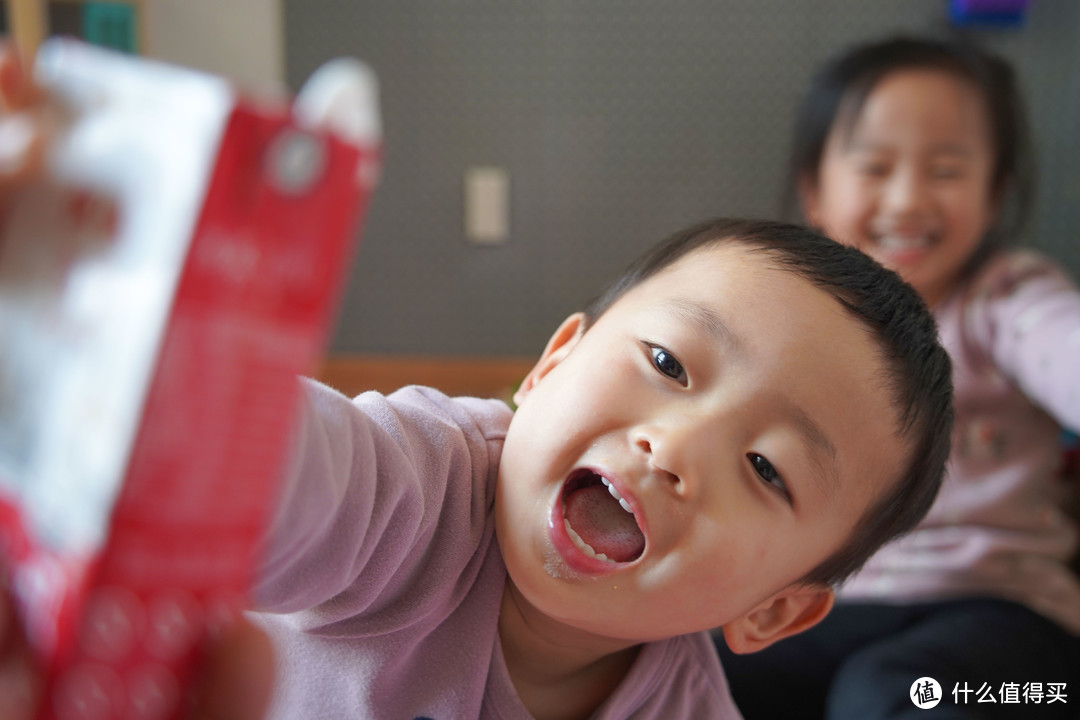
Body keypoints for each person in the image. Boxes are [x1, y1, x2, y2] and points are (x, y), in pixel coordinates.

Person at [0, 42, 957, 720]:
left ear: (774, 611)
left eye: (765, 466)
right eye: (666, 365)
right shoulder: (415, 496)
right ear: (548, 370)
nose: (674, 447)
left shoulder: (684, 703)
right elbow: (264, 464)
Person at [715, 35, 1080, 719]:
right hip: (823, 608)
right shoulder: (791, 324)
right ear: (815, 192)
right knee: (693, 670)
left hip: (1006, 620)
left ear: (995, 192)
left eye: (946, 169)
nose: (909, 198)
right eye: (876, 167)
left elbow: (1065, 344)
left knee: (895, 691)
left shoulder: (1005, 299)